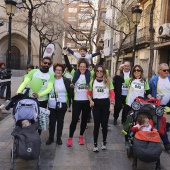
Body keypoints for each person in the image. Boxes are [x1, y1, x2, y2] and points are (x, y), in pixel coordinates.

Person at [63, 49, 92, 147]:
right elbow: (67, 64)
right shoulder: (74, 73)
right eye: (81, 66)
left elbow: (99, 68)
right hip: (77, 101)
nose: (82, 68)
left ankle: (81, 136)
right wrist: (65, 54)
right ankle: (70, 137)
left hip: (86, 101)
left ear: (87, 67)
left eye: (84, 67)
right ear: (78, 67)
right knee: (74, 120)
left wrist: (102, 57)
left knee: (84, 120)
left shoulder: (90, 74)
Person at [122, 65, 152, 147]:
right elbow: (118, 78)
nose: (136, 72)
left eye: (138, 70)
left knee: (138, 122)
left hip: (140, 106)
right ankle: (127, 141)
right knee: (128, 123)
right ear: (132, 72)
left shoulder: (145, 81)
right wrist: (121, 68)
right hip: (129, 104)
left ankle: (138, 138)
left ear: (141, 71)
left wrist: (151, 98)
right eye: (135, 70)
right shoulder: (129, 80)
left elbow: (148, 92)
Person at [87, 65, 115, 152]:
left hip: (105, 104)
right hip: (96, 104)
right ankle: (95, 144)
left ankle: (104, 142)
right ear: (95, 72)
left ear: (104, 72)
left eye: (101, 71)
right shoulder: (92, 81)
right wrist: (90, 100)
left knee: (104, 125)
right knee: (96, 125)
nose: (99, 72)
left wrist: (112, 104)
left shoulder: (108, 81)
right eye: (98, 71)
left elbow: (112, 94)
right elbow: (88, 93)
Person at [46, 63, 72, 145]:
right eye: (57, 70)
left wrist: (69, 104)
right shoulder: (50, 79)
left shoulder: (66, 80)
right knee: (52, 122)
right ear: (54, 70)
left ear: (63, 71)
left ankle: (59, 138)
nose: (59, 71)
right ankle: (51, 138)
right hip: (51, 105)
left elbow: (70, 93)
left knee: (60, 122)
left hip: (62, 104)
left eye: (60, 70)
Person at [149, 63, 170, 151]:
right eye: (164, 70)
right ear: (159, 71)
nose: (166, 72)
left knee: (165, 125)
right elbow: (148, 92)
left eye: (168, 70)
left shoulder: (169, 78)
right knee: (160, 124)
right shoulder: (154, 80)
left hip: (168, 105)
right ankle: (166, 143)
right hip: (158, 106)